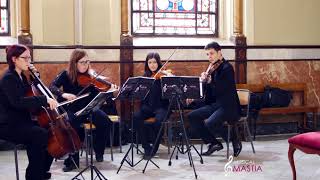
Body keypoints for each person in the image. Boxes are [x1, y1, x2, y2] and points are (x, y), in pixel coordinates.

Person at [0, 44, 58, 180]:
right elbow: (18, 102)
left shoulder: (21, 76)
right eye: (25, 58)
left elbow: (30, 94)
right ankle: (34, 175)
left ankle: (40, 171)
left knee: (49, 132)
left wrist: (35, 77)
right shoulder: (8, 78)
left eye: (29, 58)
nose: (29, 61)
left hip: (21, 121)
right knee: (39, 134)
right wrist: (44, 99)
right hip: (7, 125)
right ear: (14, 59)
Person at [49, 49, 112, 172]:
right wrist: (64, 94)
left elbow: (98, 92)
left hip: (89, 108)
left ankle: (98, 151)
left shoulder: (92, 75)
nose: (86, 65)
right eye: (82, 62)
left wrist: (109, 90)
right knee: (72, 126)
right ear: (74, 62)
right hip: (72, 109)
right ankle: (73, 159)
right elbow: (52, 86)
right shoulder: (66, 74)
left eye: (87, 62)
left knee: (105, 121)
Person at [187, 41, 242, 157]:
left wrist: (211, 81)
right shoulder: (212, 68)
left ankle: (234, 139)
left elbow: (224, 89)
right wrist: (196, 95)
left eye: (211, 53)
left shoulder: (227, 68)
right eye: (207, 54)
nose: (209, 57)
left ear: (219, 53)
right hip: (215, 105)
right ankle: (213, 143)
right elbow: (210, 94)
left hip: (228, 105)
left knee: (210, 123)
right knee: (192, 116)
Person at [133, 52, 171, 160]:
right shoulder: (145, 77)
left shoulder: (164, 75)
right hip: (148, 107)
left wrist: (168, 77)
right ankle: (146, 147)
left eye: (154, 62)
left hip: (162, 107)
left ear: (158, 63)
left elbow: (171, 86)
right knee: (136, 117)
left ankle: (154, 147)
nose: (152, 65)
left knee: (158, 122)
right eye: (150, 62)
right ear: (147, 64)